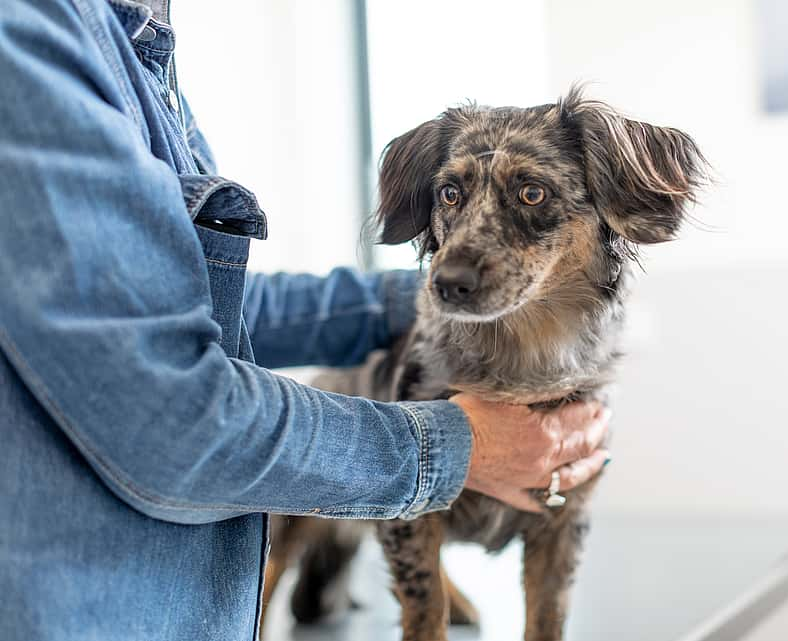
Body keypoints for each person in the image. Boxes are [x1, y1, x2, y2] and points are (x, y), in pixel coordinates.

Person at [0, 1, 610, 639]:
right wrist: (457, 446)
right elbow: (162, 414)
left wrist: (455, 300)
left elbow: (203, 309)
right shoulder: (35, 32)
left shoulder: (133, 41)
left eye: (533, 194)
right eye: (452, 197)